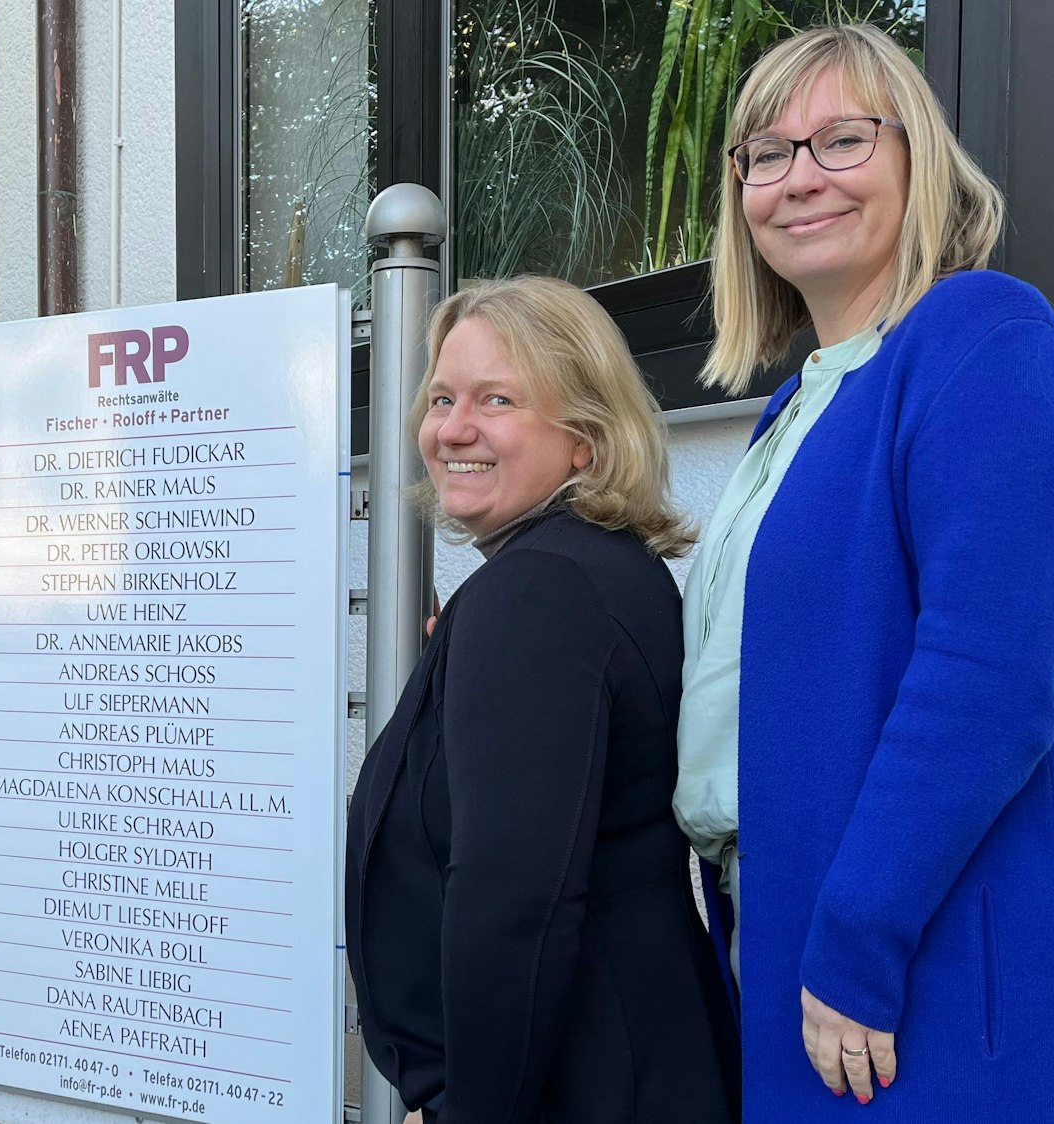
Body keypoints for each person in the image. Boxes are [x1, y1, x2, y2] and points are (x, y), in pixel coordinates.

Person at [675, 24, 1054, 1119]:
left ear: (919, 161)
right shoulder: (794, 404)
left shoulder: (980, 335)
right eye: (765, 153)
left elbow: (986, 683)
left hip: (928, 967)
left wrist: (855, 938)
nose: (797, 175)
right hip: (797, 935)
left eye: (841, 139)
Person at [347, 276, 740, 1124]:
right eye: (441, 397)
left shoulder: (540, 593)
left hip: (576, 1085)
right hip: (631, 1061)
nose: (452, 429)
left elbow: (512, 902)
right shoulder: (588, 571)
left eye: (497, 400)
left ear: (586, 441)